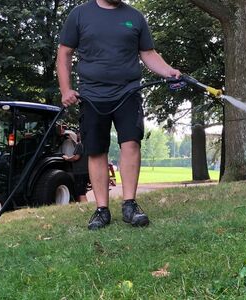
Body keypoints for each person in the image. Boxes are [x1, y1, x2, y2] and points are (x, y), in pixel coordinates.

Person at [56, 0, 181, 230]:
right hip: (92, 95)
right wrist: (66, 89)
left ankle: (130, 206)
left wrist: (168, 71)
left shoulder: (135, 17)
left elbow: (148, 53)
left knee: (131, 143)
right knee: (96, 150)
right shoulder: (80, 15)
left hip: (128, 92)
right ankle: (102, 210)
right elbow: (64, 53)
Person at [61, 131, 89, 203]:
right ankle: (81, 206)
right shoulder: (87, 144)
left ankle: (85, 207)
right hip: (85, 171)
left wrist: (67, 158)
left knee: (81, 192)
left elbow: (76, 157)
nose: (77, 135)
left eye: (78, 133)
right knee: (81, 191)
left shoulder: (80, 145)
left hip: (80, 172)